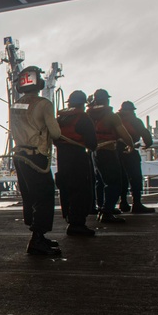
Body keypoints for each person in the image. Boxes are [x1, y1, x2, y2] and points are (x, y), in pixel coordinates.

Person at [10, 66, 62, 256]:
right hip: (36, 157)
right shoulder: (44, 104)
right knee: (44, 195)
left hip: (20, 156)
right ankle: (37, 239)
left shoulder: (15, 105)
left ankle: (37, 234)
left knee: (29, 196)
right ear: (39, 83)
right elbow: (56, 132)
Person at [87, 89, 135, 224]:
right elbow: (124, 134)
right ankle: (107, 212)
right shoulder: (111, 116)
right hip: (108, 151)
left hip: (94, 152)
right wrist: (130, 145)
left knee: (100, 182)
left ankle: (102, 208)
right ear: (107, 100)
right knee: (114, 183)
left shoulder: (88, 115)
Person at [55, 90, 98, 236]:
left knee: (66, 188)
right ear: (83, 104)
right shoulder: (83, 118)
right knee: (81, 189)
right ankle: (77, 223)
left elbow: (54, 137)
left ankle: (69, 217)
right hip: (78, 157)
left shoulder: (59, 120)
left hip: (62, 157)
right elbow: (92, 143)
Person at [116, 100, 156, 214]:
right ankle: (136, 204)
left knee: (122, 177)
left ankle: (123, 202)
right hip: (131, 150)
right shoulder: (135, 121)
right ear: (132, 111)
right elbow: (146, 135)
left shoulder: (116, 120)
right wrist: (147, 144)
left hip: (116, 151)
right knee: (135, 177)